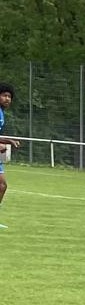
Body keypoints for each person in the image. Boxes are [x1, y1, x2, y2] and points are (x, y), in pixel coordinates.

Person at [0, 83, 21, 213]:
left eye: (9, 96)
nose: (7, 99)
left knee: (2, 186)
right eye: (4, 95)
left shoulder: (1, 113)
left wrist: (8, 141)